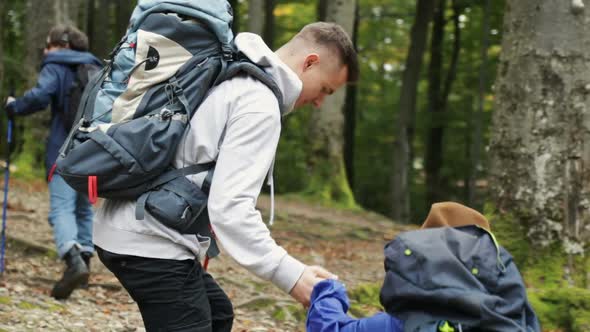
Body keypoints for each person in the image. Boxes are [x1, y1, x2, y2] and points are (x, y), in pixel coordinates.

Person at [94, 21, 359, 331]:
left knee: (218, 315)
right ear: (310, 62)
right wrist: (292, 275)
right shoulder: (258, 105)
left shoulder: (234, 72)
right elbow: (231, 210)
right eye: (325, 89)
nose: (319, 102)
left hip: (130, 225)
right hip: (148, 240)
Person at [5, 25, 102, 300]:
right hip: (95, 154)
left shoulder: (56, 65)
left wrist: (14, 106)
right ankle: (84, 263)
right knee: (84, 210)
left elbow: (39, 96)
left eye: (47, 45)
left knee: (61, 209)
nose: (45, 51)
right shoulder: (97, 70)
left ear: (61, 45)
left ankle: (73, 262)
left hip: (64, 152)